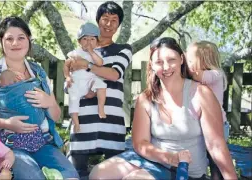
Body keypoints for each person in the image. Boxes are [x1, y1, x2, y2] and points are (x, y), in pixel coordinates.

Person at [89, 37, 237, 180]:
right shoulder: (145, 99)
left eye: (171, 60)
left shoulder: (200, 93)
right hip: (153, 159)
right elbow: (140, 144)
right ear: (152, 65)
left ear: (181, 59)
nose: (166, 67)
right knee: (98, 174)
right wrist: (169, 157)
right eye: (159, 62)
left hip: (185, 170)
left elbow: (216, 145)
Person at [0, 16, 79, 179]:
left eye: (21, 38)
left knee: (70, 175)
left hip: (41, 143)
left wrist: (49, 102)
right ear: (1, 42)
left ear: (29, 40)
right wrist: (6, 123)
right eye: (9, 39)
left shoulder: (38, 72)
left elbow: (56, 116)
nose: (15, 43)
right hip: (8, 146)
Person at [66, 1, 132, 178]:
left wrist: (86, 66)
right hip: (83, 122)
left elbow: (114, 74)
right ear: (97, 21)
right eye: (105, 19)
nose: (109, 24)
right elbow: (70, 81)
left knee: (115, 175)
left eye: (114, 20)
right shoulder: (78, 51)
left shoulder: (122, 50)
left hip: (111, 123)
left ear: (119, 24)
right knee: (75, 173)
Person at [186, 40, 229, 180]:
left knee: (216, 160)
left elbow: (196, 76)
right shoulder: (206, 75)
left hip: (217, 126)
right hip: (203, 125)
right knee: (205, 158)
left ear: (204, 59)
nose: (189, 63)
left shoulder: (216, 74)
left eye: (191, 59)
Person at [64, 22, 107, 133]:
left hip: (89, 81)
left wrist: (91, 52)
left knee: (101, 85)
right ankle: (76, 123)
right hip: (76, 82)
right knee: (73, 101)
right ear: (79, 41)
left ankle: (101, 108)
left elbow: (100, 63)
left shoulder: (96, 54)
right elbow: (66, 65)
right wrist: (67, 77)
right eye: (85, 39)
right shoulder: (74, 53)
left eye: (92, 39)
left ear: (97, 42)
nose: (88, 42)